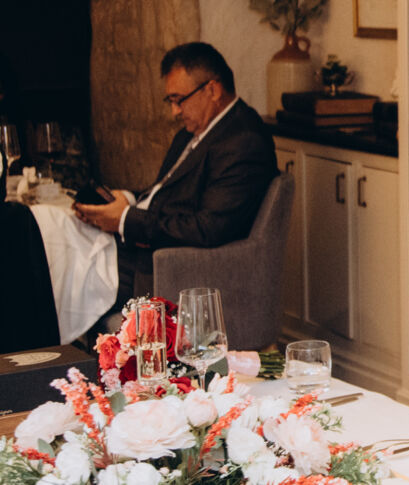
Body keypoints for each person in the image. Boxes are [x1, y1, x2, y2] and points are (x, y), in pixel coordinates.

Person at [75, 41, 278, 303]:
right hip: (144, 246)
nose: (174, 112)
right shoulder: (192, 132)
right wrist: (128, 199)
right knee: (59, 235)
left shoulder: (242, 142)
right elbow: (168, 193)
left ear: (212, 90)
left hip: (167, 265)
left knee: (66, 267)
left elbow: (207, 229)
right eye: (171, 101)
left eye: (179, 100)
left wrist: (125, 219)